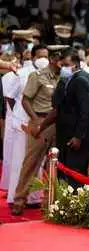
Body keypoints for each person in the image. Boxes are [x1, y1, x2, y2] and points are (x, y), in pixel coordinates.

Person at [11, 45, 73, 216]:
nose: (66, 63)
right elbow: (25, 100)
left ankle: (50, 201)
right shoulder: (37, 76)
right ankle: (19, 200)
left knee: (54, 165)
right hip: (41, 121)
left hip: (58, 123)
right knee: (31, 163)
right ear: (55, 59)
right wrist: (36, 120)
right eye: (63, 59)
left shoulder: (66, 77)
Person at [35, 48, 89, 189]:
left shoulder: (80, 80)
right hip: (76, 136)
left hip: (75, 138)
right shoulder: (88, 78)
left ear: (75, 65)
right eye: (61, 64)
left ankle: (72, 209)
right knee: (74, 176)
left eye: (65, 65)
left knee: (73, 179)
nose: (62, 68)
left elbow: (85, 111)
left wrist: (78, 136)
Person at [2, 44, 49, 205]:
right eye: (41, 55)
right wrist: (18, 117)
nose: (44, 59)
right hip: (22, 122)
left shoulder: (49, 74)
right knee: (20, 160)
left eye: (46, 56)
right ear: (34, 57)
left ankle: (34, 197)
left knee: (37, 161)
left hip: (40, 123)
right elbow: (10, 96)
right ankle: (17, 196)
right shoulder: (21, 74)